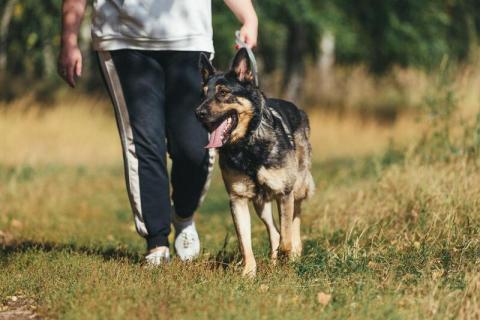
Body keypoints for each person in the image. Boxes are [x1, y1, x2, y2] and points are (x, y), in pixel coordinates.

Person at [58, 0, 258, 265]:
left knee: (194, 145)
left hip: (189, 39)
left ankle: (184, 215)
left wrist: (249, 17)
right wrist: (69, 39)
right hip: (123, 39)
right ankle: (157, 241)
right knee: (144, 141)